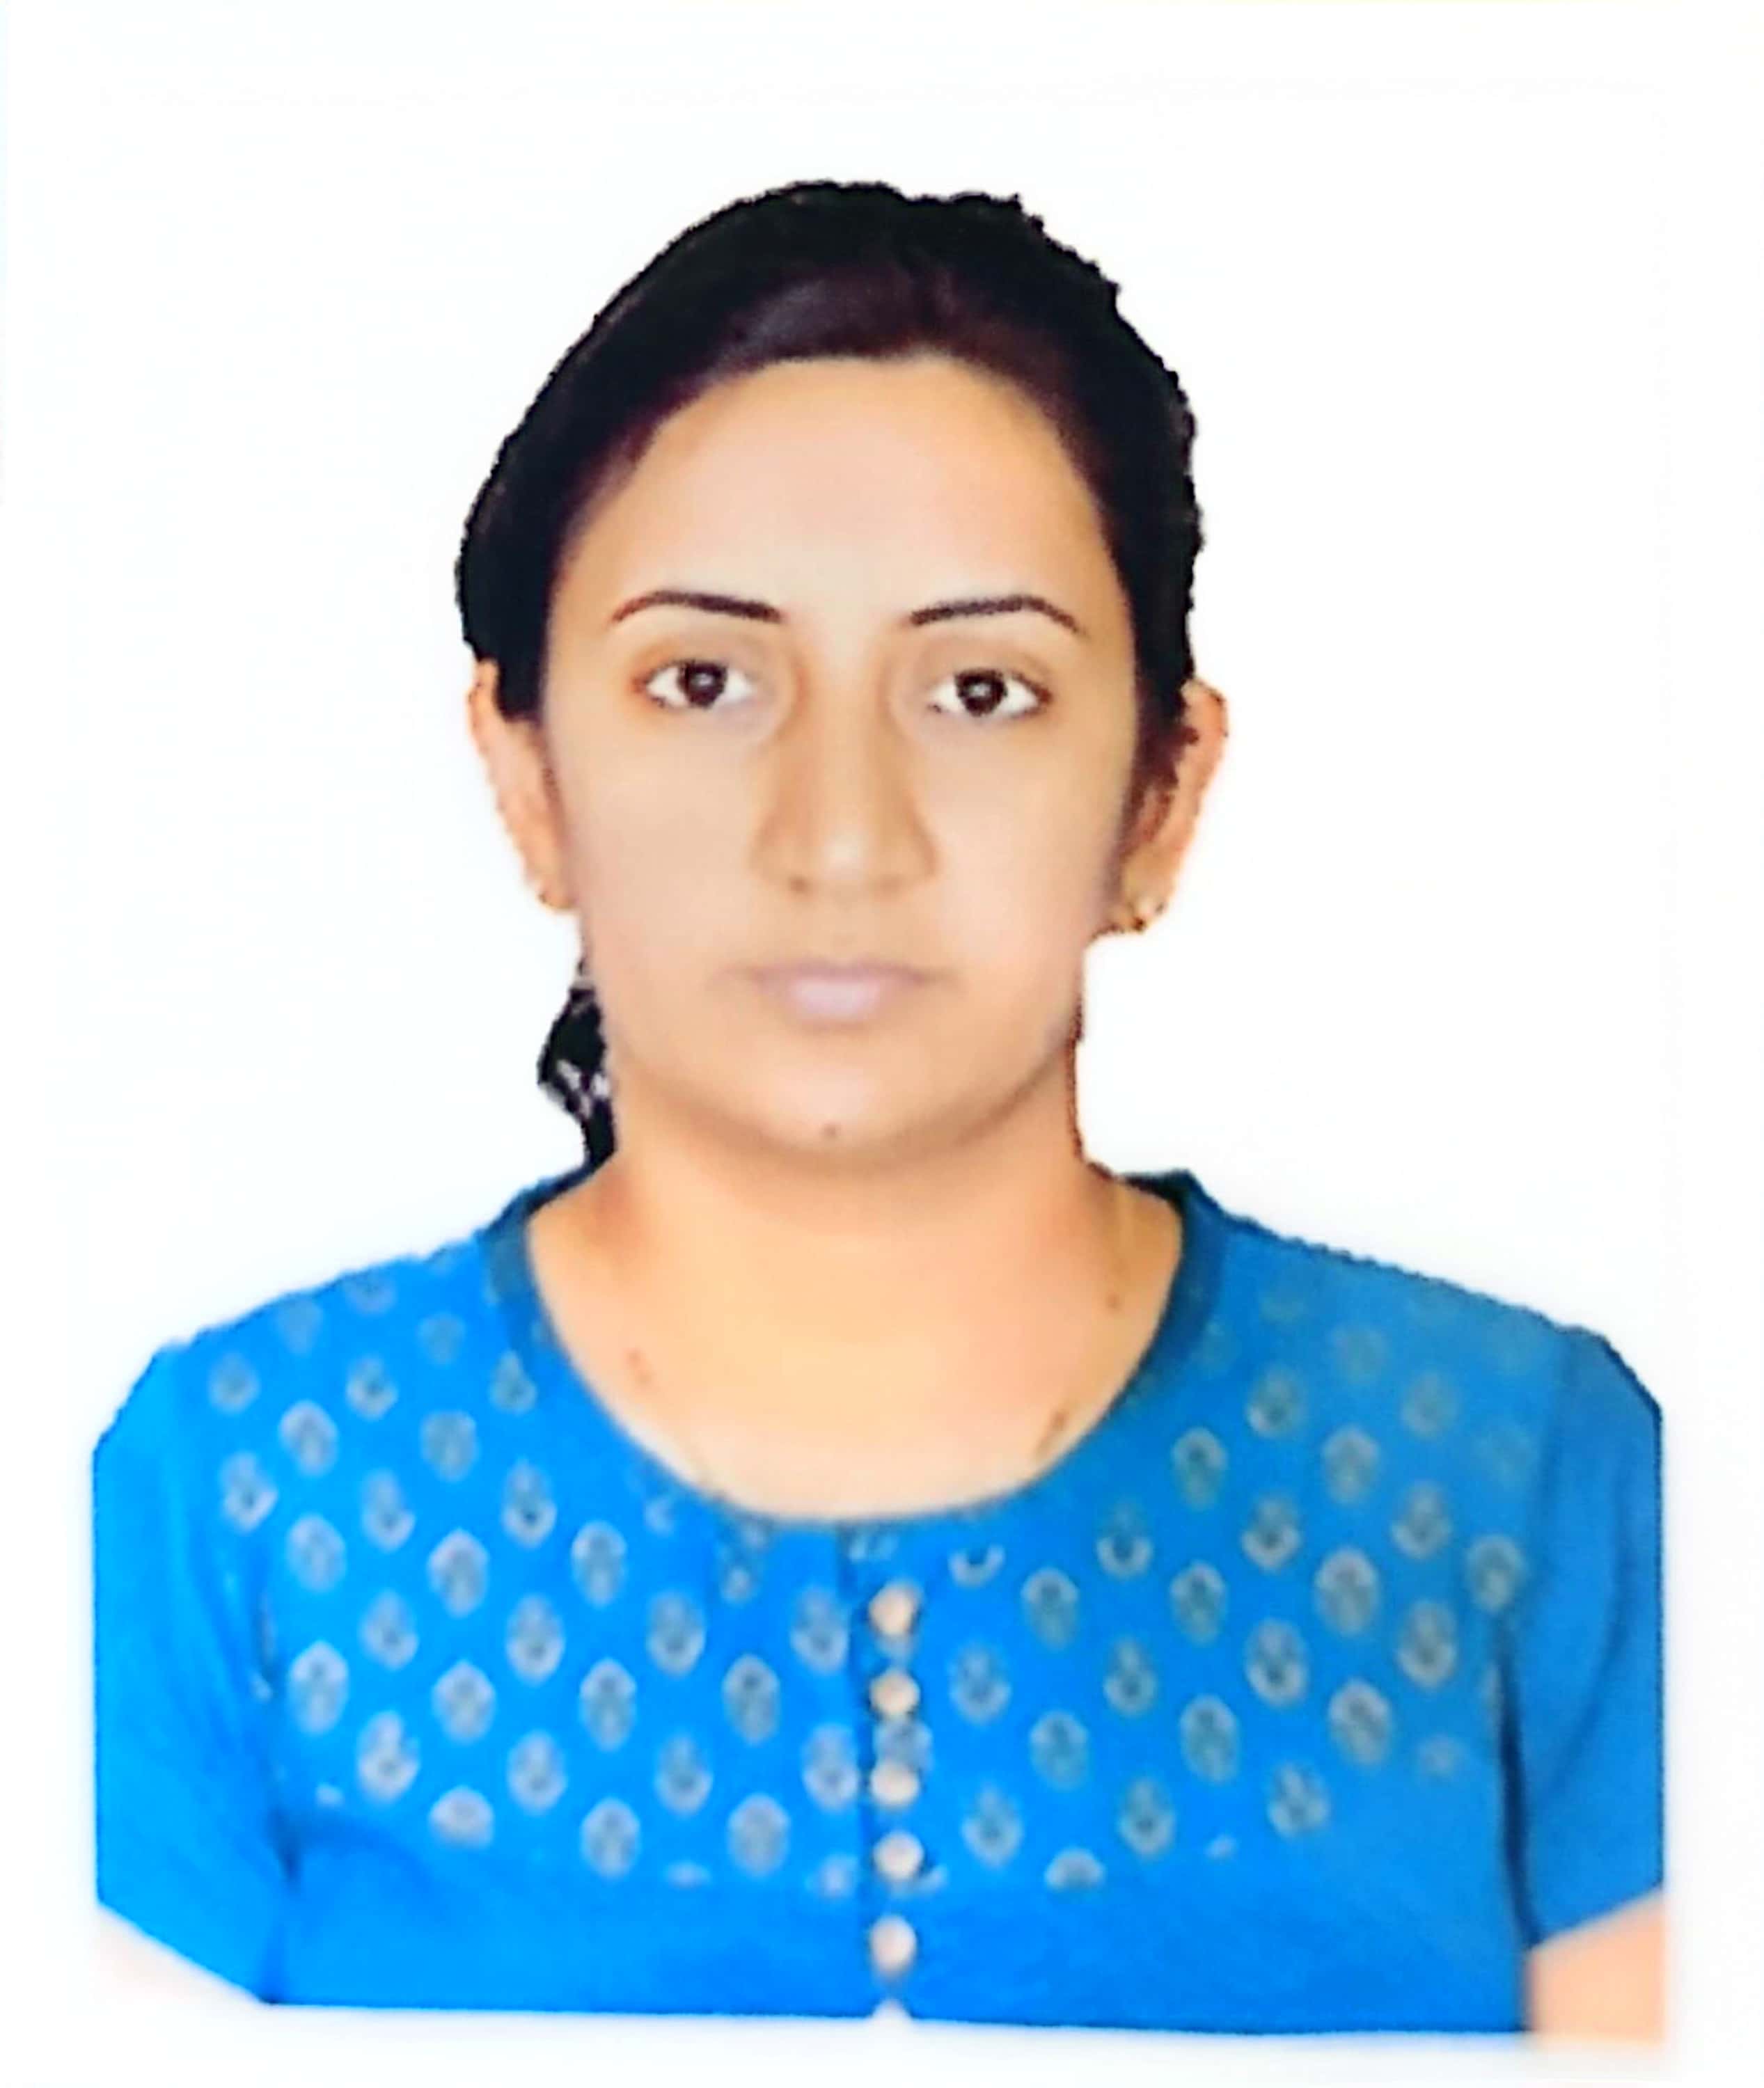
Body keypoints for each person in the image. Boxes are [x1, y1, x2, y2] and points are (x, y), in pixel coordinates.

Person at [91, 180, 1664, 2036]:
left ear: (1161, 795)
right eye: (703, 682)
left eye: (982, 691)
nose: (840, 836)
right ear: (528, 779)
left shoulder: (1519, 1481)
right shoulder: (237, 1506)